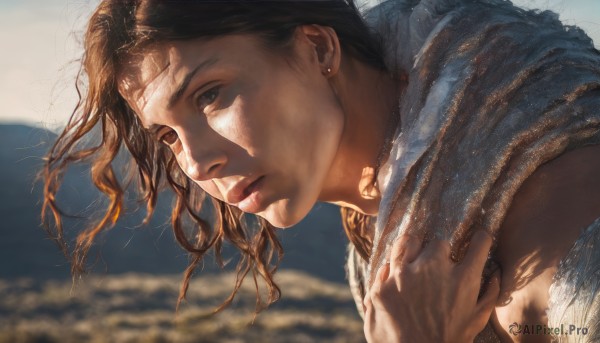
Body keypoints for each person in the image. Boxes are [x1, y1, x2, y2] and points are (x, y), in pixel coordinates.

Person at [41, 0, 600, 341]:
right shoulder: (376, 218)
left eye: (211, 95)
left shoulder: (561, 226)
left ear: (317, 48)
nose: (195, 160)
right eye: (166, 135)